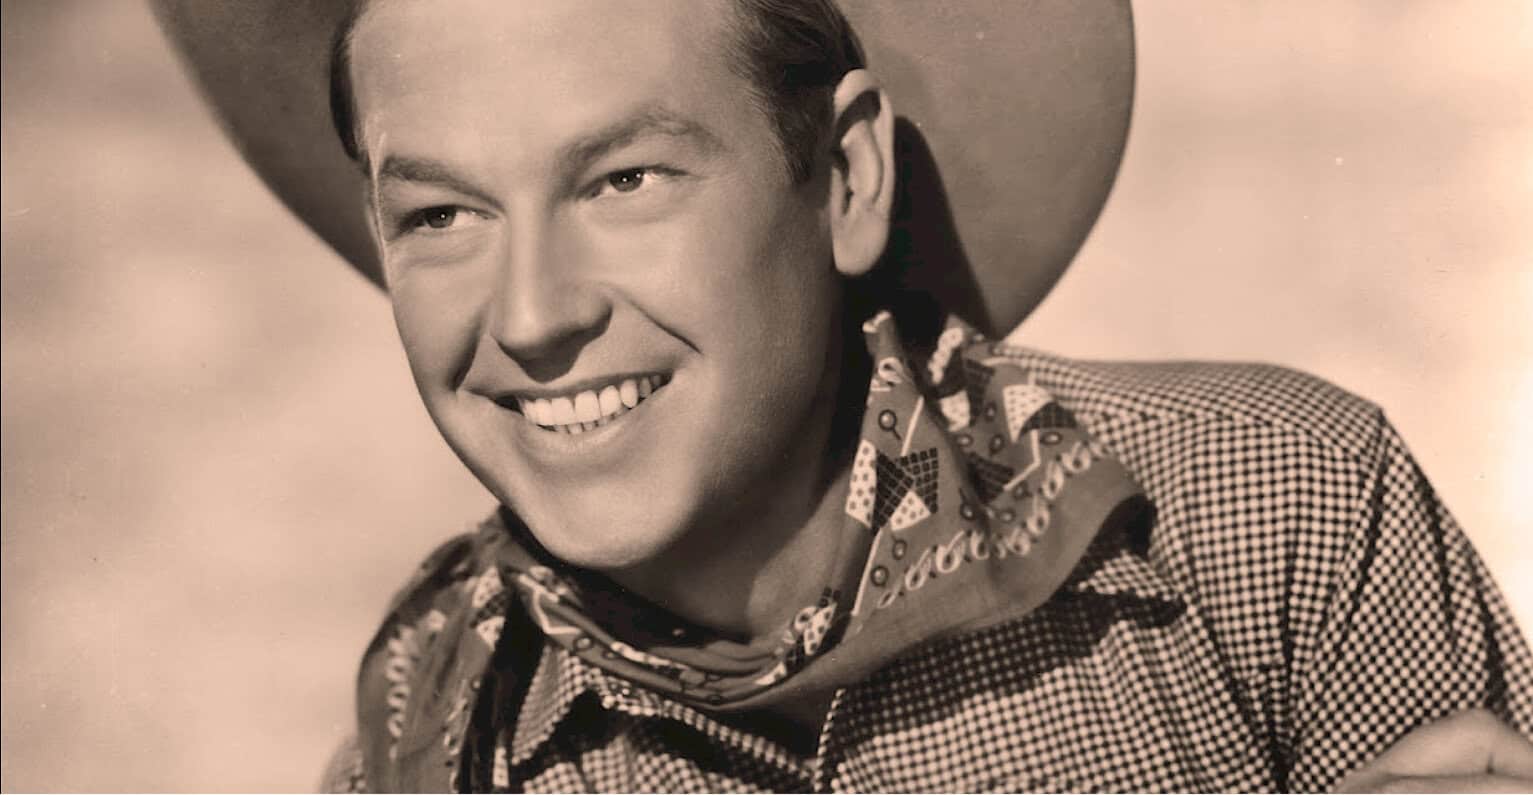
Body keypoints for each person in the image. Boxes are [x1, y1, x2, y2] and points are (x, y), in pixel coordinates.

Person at [156, 0, 1533, 791]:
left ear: (848, 179)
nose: (530, 317)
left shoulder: (1267, 517)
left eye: (625, 182)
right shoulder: (434, 742)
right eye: (445, 214)